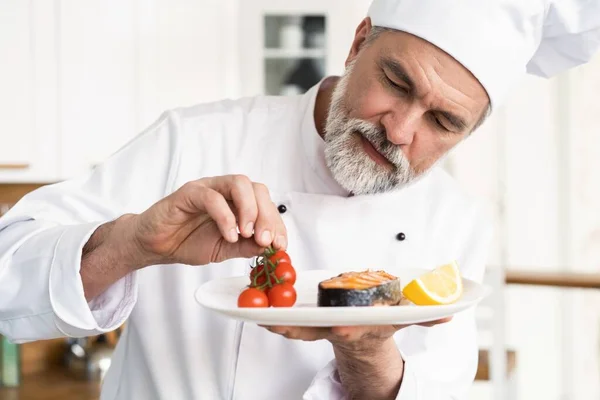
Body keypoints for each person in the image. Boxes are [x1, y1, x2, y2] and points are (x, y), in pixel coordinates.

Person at [1, 0, 599, 399]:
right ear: (358, 42)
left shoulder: (455, 221)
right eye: (395, 82)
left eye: (442, 121)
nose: (399, 131)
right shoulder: (195, 138)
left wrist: (368, 353)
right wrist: (134, 243)